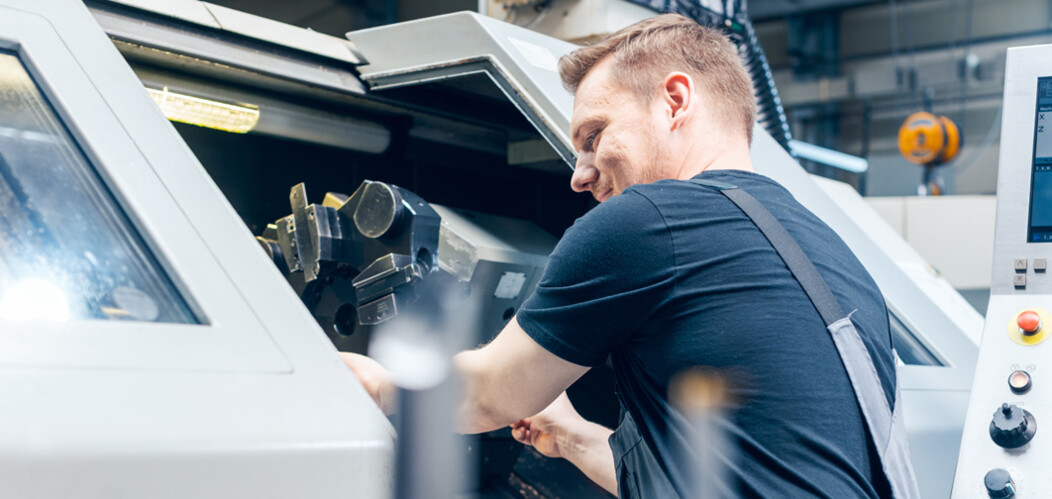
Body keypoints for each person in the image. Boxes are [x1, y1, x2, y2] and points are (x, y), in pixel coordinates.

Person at [343, 13, 918, 498]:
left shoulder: (646, 220)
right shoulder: (830, 250)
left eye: (594, 136)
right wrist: (569, 438)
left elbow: (487, 395)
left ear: (674, 100)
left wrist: (376, 385)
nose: (580, 175)